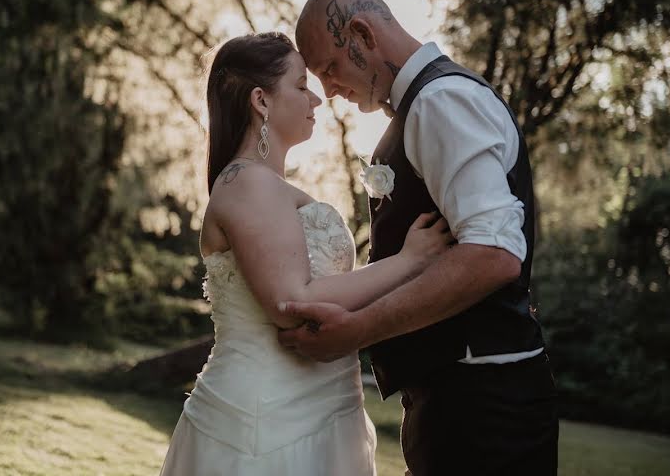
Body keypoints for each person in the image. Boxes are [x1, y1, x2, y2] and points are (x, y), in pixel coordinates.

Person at [278, 0, 559, 475]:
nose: (330, 93)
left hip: (482, 408)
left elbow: (494, 253)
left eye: (330, 69)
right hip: (457, 399)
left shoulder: (441, 101)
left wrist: (358, 330)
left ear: (362, 35)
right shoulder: (424, 105)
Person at [159, 32, 454, 475]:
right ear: (261, 100)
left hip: (324, 409)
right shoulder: (246, 182)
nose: (316, 98)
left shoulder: (268, 185)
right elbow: (292, 302)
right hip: (266, 421)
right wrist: (410, 262)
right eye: (300, 85)